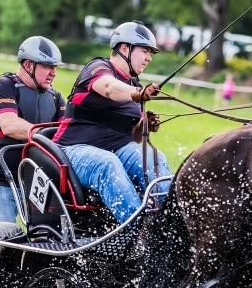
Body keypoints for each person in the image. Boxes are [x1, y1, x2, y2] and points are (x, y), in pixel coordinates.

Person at [52, 21, 171, 223]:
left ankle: (169, 223)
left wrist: (144, 126)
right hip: (73, 150)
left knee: (154, 158)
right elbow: (108, 87)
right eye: (145, 51)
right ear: (125, 48)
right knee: (107, 163)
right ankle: (139, 233)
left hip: (117, 149)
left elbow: (132, 138)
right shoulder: (98, 67)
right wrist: (137, 94)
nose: (149, 58)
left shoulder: (135, 85)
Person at [0, 36, 65, 223]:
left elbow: (67, 134)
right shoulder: (4, 85)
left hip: (35, 181)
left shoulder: (55, 97)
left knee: (47, 237)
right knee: (8, 236)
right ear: (28, 65)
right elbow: (9, 125)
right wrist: (46, 135)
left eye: (55, 67)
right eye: (48, 66)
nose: (53, 73)